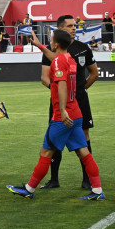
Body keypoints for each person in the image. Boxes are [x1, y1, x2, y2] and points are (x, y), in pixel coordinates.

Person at [7, 29, 105, 201]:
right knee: (84, 152)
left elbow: (61, 85)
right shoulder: (69, 59)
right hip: (77, 114)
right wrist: (38, 45)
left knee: (45, 152)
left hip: (63, 117)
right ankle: (97, 191)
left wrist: (62, 110)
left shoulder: (60, 61)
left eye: (51, 40)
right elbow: (55, 59)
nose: (50, 42)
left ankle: (29, 189)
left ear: (56, 44)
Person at [35, 15, 98, 190]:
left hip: (79, 101)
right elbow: (44, 78)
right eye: (70, 26)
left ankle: (87, 180)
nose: (74, 28)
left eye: (75, 25)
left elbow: (94, 73)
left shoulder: (82, 48)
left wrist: (79, 90)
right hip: (60, 103)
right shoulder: (52, 50)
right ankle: (54, 179)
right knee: (56, 141)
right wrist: (61, 95)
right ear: (61, 29)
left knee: (84, 140)